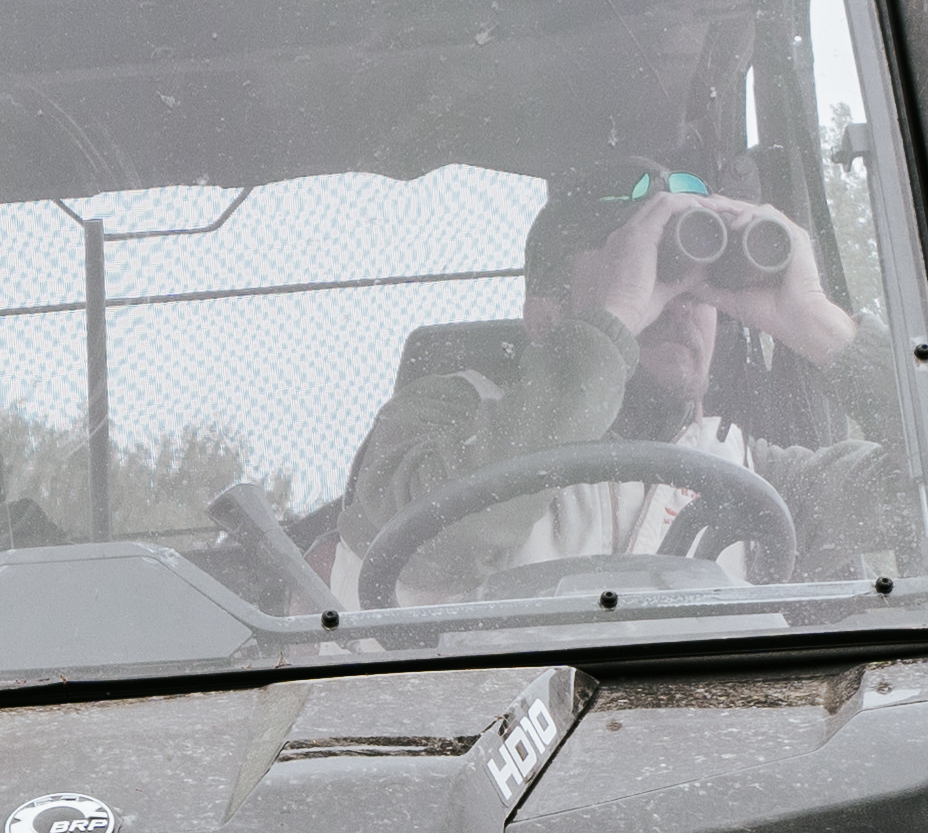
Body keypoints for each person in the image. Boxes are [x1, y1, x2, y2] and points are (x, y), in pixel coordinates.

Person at [332, 168, 879, 601]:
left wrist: (820, 326)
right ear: (546, 321)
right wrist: (615, 320)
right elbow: (429, 547)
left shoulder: (753, 479)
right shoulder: (450, 416)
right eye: (648, 276)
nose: (680, 303)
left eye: (695, 288)